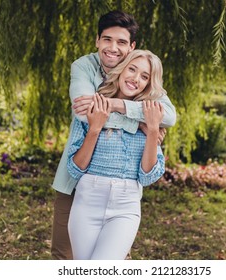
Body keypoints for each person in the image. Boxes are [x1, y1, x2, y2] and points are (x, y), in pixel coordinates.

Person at [50, 10, 176, 260]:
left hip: (122, 188)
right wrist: (141, 122)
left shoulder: (142, 71)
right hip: (77, 176)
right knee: (64, 255)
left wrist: (119, 107)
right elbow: (86, 115)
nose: (112, 48)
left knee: (114, 259)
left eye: (121, 42)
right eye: (107, 39)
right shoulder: (83, 66)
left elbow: (168, 116)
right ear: (97, 40)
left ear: (132, 47)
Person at [67, 50, 167, 259]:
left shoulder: (150, 115)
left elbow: (147, 176)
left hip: (126, 205)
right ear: (121, 69)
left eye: (144, 76)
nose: (135, 79)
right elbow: (75, 168)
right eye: (132, 69)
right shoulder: (93, 105)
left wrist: (153, 130)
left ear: (149, 84)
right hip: (87, 201)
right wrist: (95, 128)